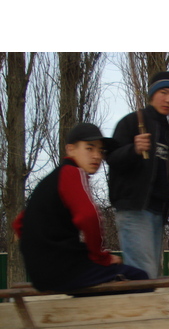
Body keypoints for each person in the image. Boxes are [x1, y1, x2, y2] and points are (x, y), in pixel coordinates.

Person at [12, 123, 149, 292]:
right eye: (89, 148)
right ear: (70, 150)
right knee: (140, 279)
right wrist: (101, 257)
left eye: (101, 151)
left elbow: (19, 224)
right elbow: (89, 216)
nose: (97, 156)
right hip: (65, 271)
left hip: (42, 276)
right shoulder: (73, 173)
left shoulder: (50, 181)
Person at [106, 71, 169, 278]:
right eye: (164, 93)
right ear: (152, 94)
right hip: (134, 208)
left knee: (151, 272)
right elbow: (111, 158)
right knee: (142, 272)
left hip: (158, 211)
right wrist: (133, 149)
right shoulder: (131, 123)